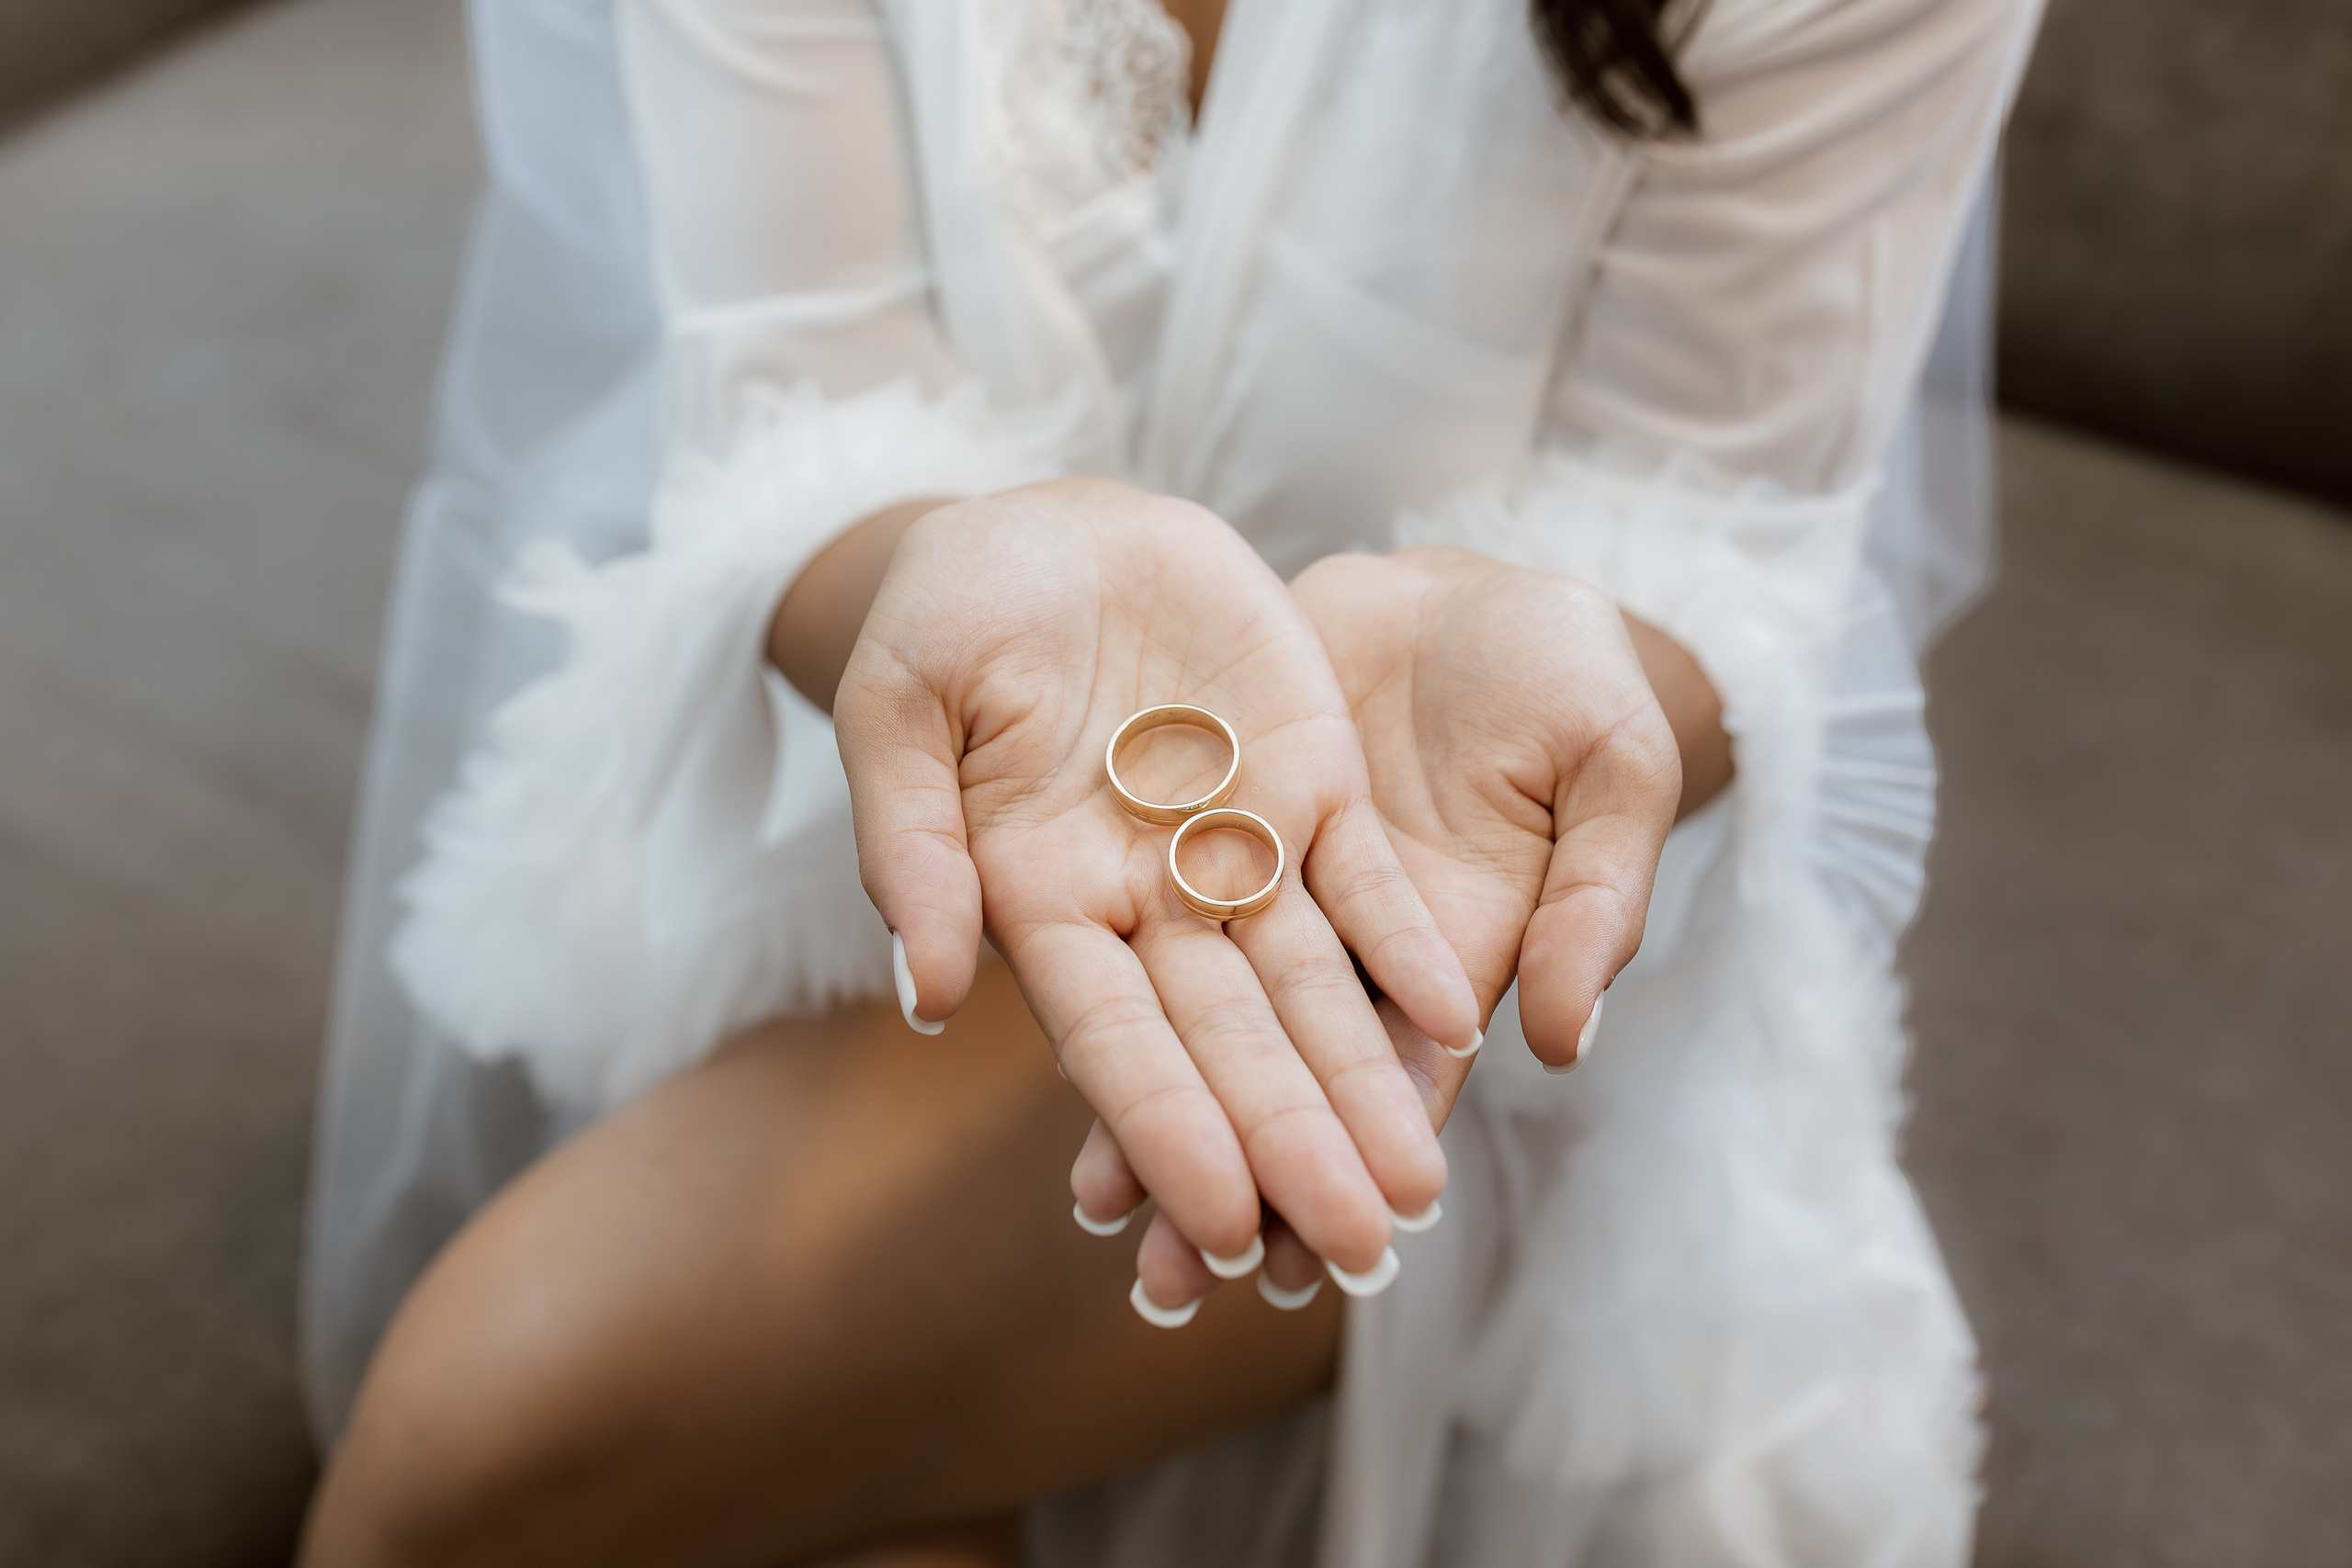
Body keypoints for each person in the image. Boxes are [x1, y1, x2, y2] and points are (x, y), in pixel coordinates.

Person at [298, 0, 2041, 1562]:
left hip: (1442, 984)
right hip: (907, 857)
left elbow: (1720, 535)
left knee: (488, 1426)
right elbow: (787, 390)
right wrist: (942, 588)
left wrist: (1570, 669)